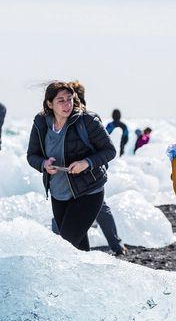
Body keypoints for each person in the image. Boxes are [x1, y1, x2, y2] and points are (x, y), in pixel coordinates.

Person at [26, 82, 116, 251]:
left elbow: (109, 151)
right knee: (78, 250)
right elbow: (32, 156)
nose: (67, 104)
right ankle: (87, 276)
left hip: (88, 191)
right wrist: (44, 164)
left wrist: (86, 163)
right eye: (61, 100)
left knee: (66, 246)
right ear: (49, 104)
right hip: (58, 194)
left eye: (70, 99)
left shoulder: (87, 120)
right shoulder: (41, 123)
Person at [68, 80, 128, 256]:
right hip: (93, 170)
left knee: (85, 208)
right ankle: (115, 245)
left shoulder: (83, 117)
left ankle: (76, 248)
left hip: (86, 171)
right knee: (97, 208)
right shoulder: (91, 117)